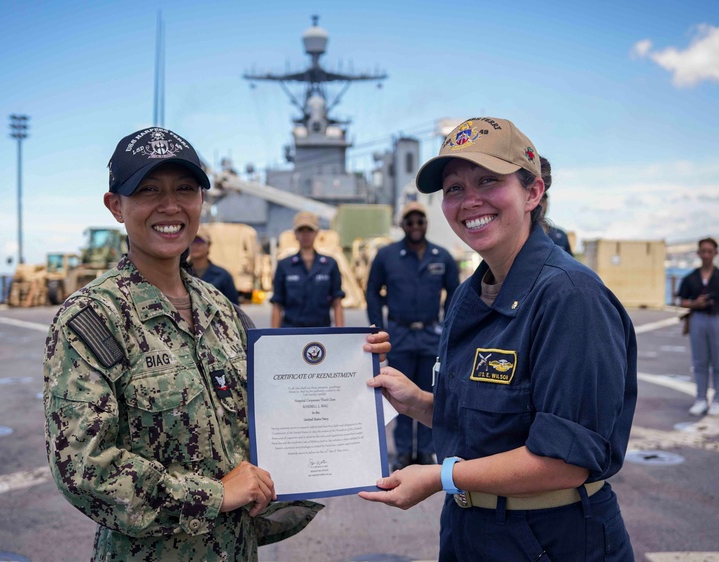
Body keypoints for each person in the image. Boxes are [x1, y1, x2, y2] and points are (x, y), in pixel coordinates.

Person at [42, 127, 391, 561]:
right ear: (116, 206)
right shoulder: (93, 319)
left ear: (201, 201)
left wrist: (351, 379)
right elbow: (82, 466)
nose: (170, 205)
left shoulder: (221, 310)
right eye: (148, 190)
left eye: (185, 189)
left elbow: (271, 417)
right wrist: (212, 496)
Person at [360, 117, 637, 561]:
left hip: (550, 539)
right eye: (454, 188)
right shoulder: (472, 294)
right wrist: (417, 403)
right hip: (471, 530)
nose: (469, 200)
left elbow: (565, 461)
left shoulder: (570, 297)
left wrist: (439, 476)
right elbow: (491, 425)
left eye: (488, 180)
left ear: (533, 193)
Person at [366, 200, 460, 470]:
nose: (415, 225)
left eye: (420, 220)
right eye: (410, 221)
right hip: (400, 335)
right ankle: (404, 451)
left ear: (426, 224)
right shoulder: (387, 256)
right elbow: (372, 291)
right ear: (402, 224)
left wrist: (447, 325)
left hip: (431, 335)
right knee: (400, 395)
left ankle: (429, 451)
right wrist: (378, 327)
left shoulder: (441, 256)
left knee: (432, 394)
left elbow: (455, 293)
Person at [677, 238, 719, 416]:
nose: (706, 255)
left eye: (709, 251)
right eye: (703, 251)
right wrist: (695, 303)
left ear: (715, 253)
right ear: (698, 253)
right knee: (699, 362)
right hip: (698, 319)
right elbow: (682, 301)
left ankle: (718, 399)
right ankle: (701, 399)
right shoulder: (690, 278)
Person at [270, 211, 345, 328]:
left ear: (317, 232)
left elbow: (337, 302)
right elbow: (277, 304)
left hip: (321, 330)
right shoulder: (284, 265)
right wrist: (273, 335)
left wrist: (340, 333)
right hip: (291, 330)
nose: (305, 235)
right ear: (295, 234)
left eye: (309, 230)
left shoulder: (330, 264)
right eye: (301, 230)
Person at [185, 225, 240, 303]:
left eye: (200, 241)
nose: (195, 246)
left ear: (209, 245)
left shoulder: (222, 275)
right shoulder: (180, 273)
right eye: (192, 241)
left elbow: (233, 306)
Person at [536, 174, 572, 256]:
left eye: (543, 200)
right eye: (538, 200)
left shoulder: (561, 236)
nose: (540, 205)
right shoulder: (520, 236)